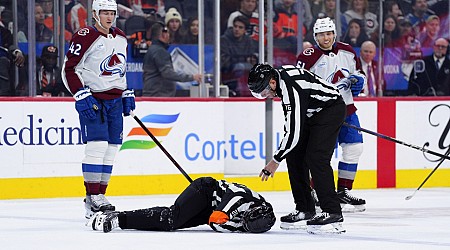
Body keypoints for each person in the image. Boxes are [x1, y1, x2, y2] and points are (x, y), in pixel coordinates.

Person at [248, 63, 346, 234]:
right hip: (312, 111)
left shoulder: (291, 89)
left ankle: (333, 212)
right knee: (294, 155)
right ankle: (305, 209)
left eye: (265, 92)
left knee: (316, 158)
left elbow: (293, 132)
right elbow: (292, 128)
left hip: (330, 108)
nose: (267, 96)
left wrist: (275, 161)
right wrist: (283, 154)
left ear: (272, 82)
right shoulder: (280, 82)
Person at [62, 0, 135, 219]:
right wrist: (80, 94)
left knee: (112, 148)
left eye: (112, 13)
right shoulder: (85, 36)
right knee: (97, 146)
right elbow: (69, 69)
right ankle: (93, 196)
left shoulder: (121, 37)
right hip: (93, 99)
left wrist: (125, 91)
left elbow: (119, 70)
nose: (109, 17)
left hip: (114, 102)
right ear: (95, 14)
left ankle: (99, 196)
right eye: (104, 13)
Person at [296, 17, 367, 213]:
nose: (325, 38)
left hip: (347, 109)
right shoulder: (307, 57)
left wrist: (357, 80)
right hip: (322, 113)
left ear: (334, 34)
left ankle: (343, 190)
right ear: (315, 36)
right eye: (320, 34)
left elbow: (360, 73)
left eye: (328, 33)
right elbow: (299, 86)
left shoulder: (348, 51)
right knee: (321, 155)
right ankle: (318, 191)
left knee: (354, 148)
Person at [87, 177, 276, 233]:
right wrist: (234, 225)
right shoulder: (240, 199)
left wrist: (239, 225)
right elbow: (216, 221)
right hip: (205, 191)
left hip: (212, 206)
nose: (242, 223)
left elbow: (219, 224)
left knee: (170, 223)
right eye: (244, 221)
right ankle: (118, 219)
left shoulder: (257, 219)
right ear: (251, 210)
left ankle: (121, 219)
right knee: (171, 217)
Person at [142, 22, 202, 97]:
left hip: (153, 94)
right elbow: (168, 73)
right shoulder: (160, 51)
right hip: (158, 96)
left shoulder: (152, 50)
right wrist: (192, 77)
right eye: (167, 33)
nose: (169, 35)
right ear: (163, 35)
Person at [0, 22, 25, 96]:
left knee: (3, 61)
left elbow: (11, 46)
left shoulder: (4, 32)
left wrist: (17, 52)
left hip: (2, 65)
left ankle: (5, 94)